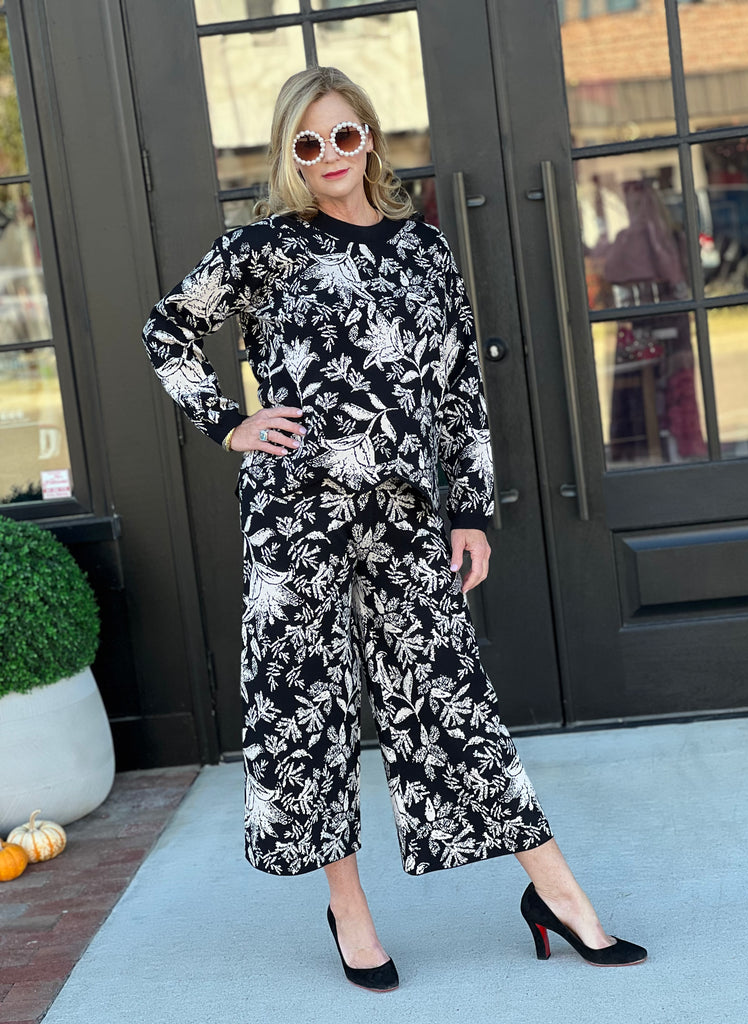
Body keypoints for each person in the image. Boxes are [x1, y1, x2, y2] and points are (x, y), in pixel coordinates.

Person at [142, 66, 647, 991]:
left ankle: (557, 894)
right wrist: (230, 423)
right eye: (308, 142)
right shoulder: (260, 248)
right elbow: (166, 330)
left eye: (344, 134)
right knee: (309, 709)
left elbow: (458, 390)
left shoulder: (424, 249)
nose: (330, 154)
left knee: (450, 697)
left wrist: (471, 511)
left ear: (369, 136)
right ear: (290, 155)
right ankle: (349, 909)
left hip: (407, 516)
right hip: (293, 519)